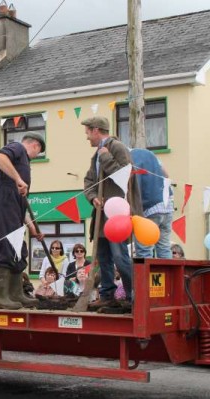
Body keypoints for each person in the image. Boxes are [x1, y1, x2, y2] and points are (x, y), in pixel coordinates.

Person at [82, 116, 142, 308]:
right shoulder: (95, 155)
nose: (87, 137)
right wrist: (93, 198)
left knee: (119, 256)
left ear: (96, 130)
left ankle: (133, 295)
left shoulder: (117, 148)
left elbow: (124, 176)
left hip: (118, 212)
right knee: (104, 257)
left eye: (88, 133)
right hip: (101, 213)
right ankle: (107, 295)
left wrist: (106, 156)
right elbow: (89, 181)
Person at [0, 132, 45, 310]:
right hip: (3, 205)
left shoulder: (25, 162)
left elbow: (22, 206)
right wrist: (18, 179)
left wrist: (31, 226)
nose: (37, 156)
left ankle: (16, 293)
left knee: (19, 250)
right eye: (39, 151)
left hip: (15, 211)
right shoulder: (18, 148)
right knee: (6, 247)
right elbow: (0, 157)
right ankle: (0, 297)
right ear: (35, 145)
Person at [131, 148, 173, 259]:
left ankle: (144, 276)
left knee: (144, 251)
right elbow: (166, 175)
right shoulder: (151, 155)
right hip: (166, 206)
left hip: (149, 209)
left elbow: (135, 187)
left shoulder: (131, 158)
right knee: (164, 248)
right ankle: (167, 275)